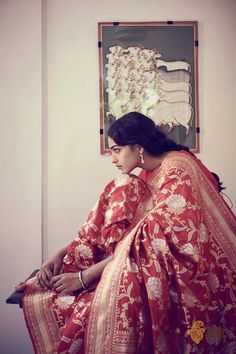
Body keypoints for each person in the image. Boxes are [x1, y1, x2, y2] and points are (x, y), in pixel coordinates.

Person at [19, 112, 235, 354]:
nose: (113, 158)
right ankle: (74, 258)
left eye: (117, 150)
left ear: (138, 147)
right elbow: (130, 235)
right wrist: (60, 254)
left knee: (134, 206)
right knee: (120, 187)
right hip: (151, 258)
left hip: (199, 270)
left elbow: (146, 240)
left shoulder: (178, 169)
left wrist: (84, 277)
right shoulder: (147, 174)